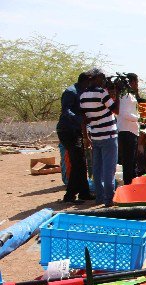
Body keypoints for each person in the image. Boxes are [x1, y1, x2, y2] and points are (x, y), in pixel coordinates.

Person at [80, 68, 119, 207]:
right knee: (109, 169)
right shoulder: (102, 93)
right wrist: (118, 93)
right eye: (102, 78)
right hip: (108, 134)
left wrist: (86, 136)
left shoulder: (83, 95)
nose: (104, 80)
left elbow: (84, 119)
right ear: (96, 78)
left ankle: (100, 198)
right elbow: (116, 110)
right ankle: (109, 199)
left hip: (96, 135)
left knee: (97, 169)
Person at [56, 72, 95, 203]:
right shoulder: (71, 91)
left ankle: (84, 193)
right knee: (78, 162)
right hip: (67, 130)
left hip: (76, 130)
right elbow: (66, 110)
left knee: (80, 162)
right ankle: (70, 195)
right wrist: (79, 120)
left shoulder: (82, 91)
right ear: (87, 81)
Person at [117, 73, 140, 185]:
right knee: (129, 162)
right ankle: (129, 185)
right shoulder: (125, 96)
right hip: (127, 132)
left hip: (130, 131)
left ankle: (132, 184)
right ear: (130, 83)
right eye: (135, 82)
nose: (136, 84)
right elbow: (125, 113)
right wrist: (139, 119)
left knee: (131, 161)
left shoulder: (126, 95)